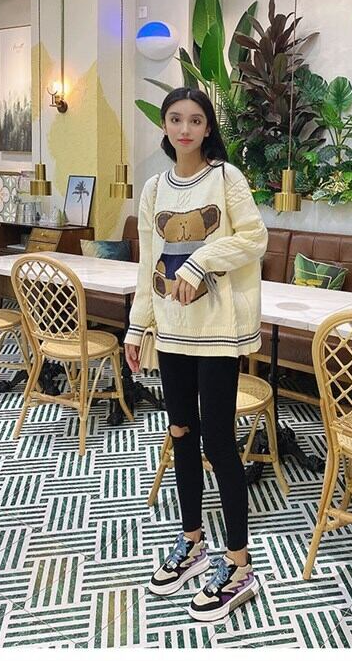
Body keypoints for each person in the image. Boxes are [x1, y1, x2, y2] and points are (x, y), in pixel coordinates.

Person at [124, 87, 268, 621]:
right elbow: (148, 265)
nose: (185, 129)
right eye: (175, 119)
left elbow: (255, 238)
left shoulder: (226, 178)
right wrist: (136, 328)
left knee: (219, 442)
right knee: (180, 433)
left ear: (208, 128)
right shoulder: (153, 189)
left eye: (195, 120)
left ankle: (239, 566)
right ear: (165, 126)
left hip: (217, 333)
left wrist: (200, 260)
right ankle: (193, 544)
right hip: (172, 332)